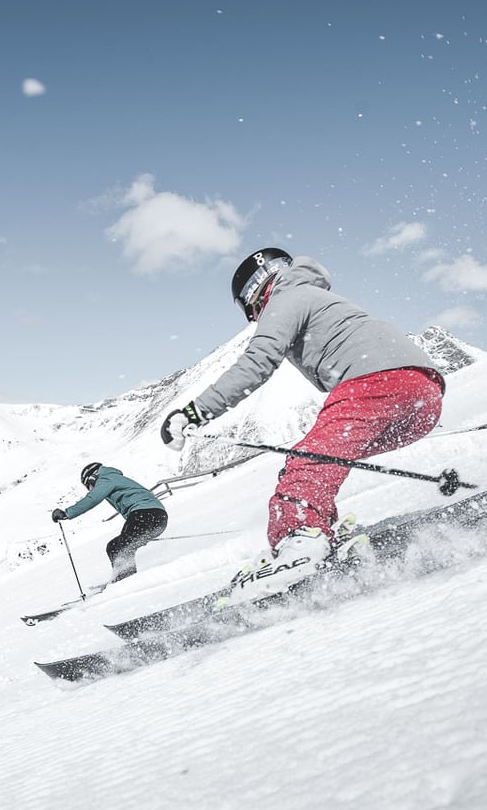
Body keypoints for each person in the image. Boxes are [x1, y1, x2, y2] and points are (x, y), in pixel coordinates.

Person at [160, 248, 445, 588]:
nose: (254, 317)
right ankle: (319, 533)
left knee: (307, 464)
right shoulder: (312, 294)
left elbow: (257, 362)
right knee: (316, 460)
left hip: (376, 381)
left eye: (249, 310)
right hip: (422, 395)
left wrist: (195, 412)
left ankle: (300, 543)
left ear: (253, 293)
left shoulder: (286, 296)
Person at [52, 462, 168, 583]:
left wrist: (67, 513)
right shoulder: (114, 478)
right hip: (156, 518)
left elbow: (93, 498)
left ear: (92, 477)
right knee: (114, 546)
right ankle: (124, 577)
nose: (90, 489)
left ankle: (126, 580)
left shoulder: (106, 478)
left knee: (120, 547)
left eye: (88, 485)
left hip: (145, 513)